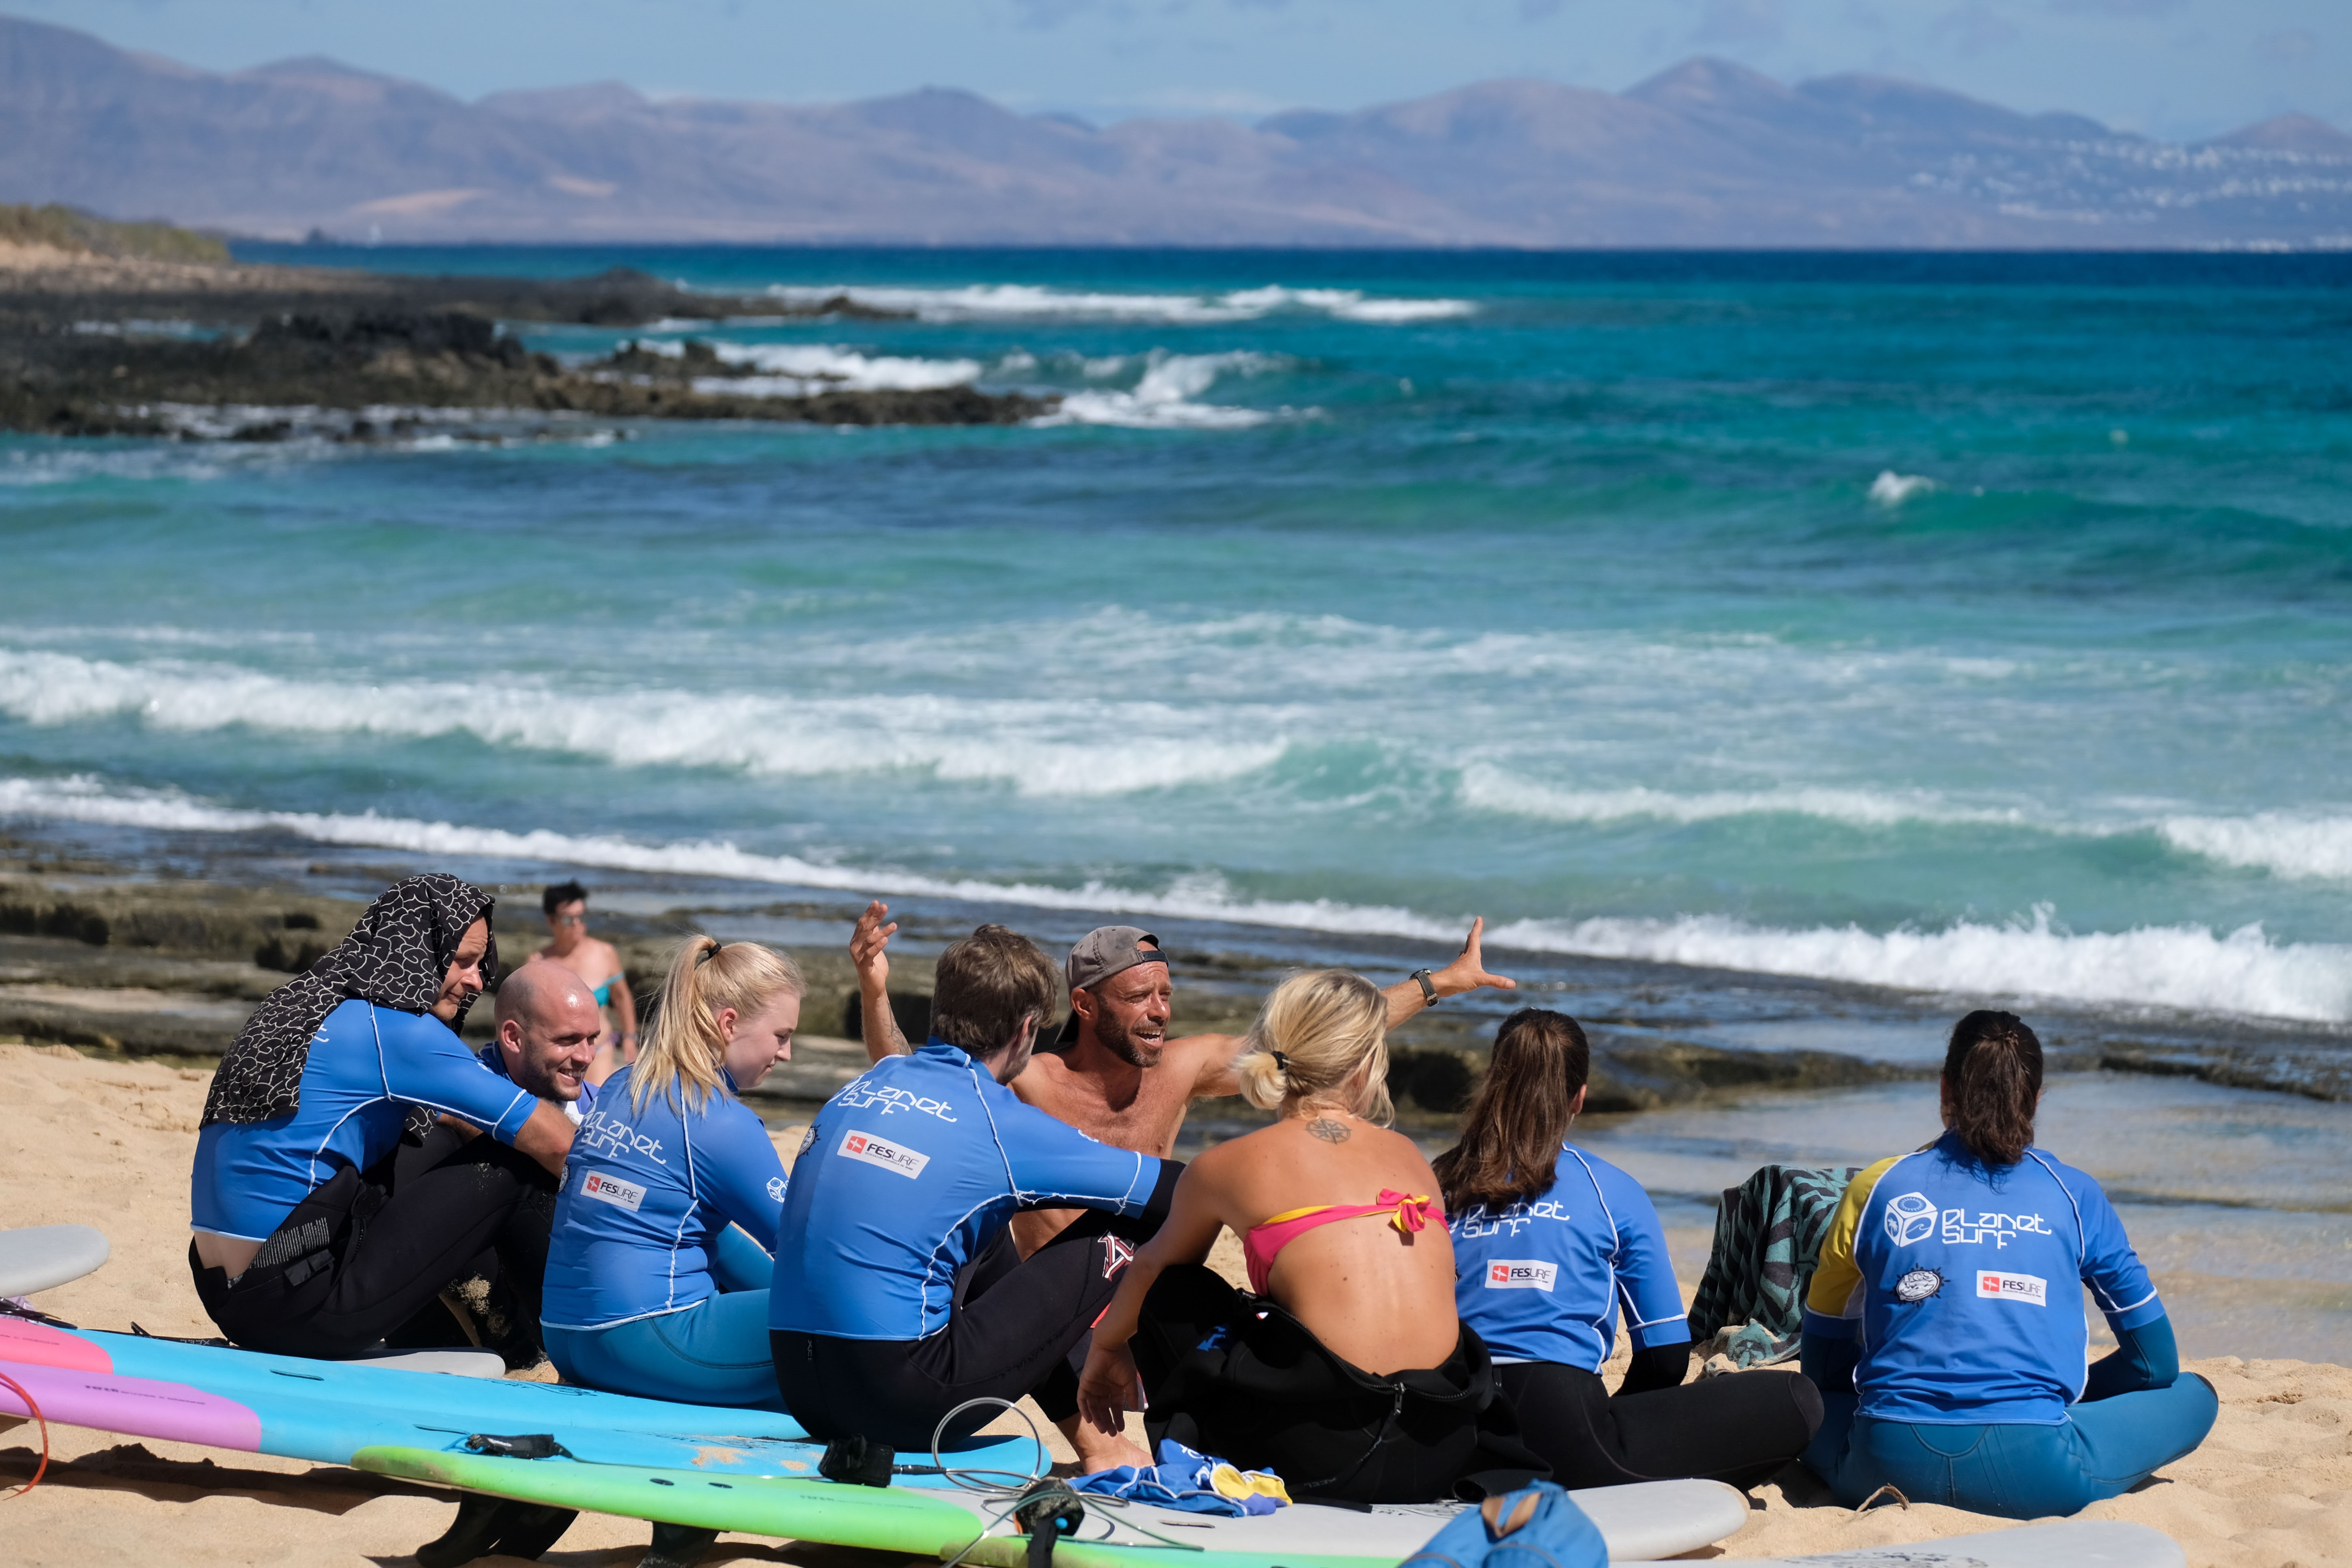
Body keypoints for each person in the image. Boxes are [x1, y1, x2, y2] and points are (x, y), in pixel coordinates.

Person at [850, 901, 1520, 1465]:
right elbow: (916, 1082)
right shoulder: (1032, 1077)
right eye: (1139, 995)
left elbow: (1322, 1041)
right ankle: (1115, 1445)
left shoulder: (1183, 1067)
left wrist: (1439, 985)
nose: (1160, 1010)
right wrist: (876, 990)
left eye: (1166, 993)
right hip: (1063, 1320)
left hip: (1138, 1308)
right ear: (1084, 1003)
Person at [1076, 970, 1546, 1505]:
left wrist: (1106, 1348)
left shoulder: (1226, 1165)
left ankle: (1204, 1459)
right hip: (1442, 1449)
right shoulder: (1413, 1157)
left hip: (1325, 1463)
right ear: (1366, 1064)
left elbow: (1151, 1272)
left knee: (1174, 1289)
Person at [769, 924, 1181, 1451]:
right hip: (902, 1399)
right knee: (1136, 1214)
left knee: (981, 1230)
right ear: (1026, 1029)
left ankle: (1098, 1446)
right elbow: (1174, 1190)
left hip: (802, 1387)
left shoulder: (868, 1083)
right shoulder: (999, 1121)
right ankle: (1114, 1435)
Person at [1798, 1010, 2218, 1519]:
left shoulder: (1876, 1188)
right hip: (2035, 1471)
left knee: (1793, 1402)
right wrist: (2056, 1392)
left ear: (1945, 1088)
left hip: (1884, 1464)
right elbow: (2155, 1364)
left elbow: (1822, 1369)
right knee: (2196, 1394)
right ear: (2036, 1098)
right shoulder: (2074, 1193)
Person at [189, 874, 575, 1361]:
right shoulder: (398, 1032)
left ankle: (464, 1340)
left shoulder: (308, 1004)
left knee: (437, 1145)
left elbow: (443, 1128)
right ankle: (561, 1349)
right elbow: (561, 1145)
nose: (479, 981)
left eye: (482, 965)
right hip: (297, 1305)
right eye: (464, 961)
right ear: (419, 953)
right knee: (514, 1166)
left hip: (228, 1291)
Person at [1437, 1008, 1822, 1489]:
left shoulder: (1436, 1181)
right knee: (1796, 1397)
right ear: (1579, 1098)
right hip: (1561, 1432)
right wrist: (1617, 1414)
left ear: (1492, 1081)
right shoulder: (1610, 1189)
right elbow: (1665, 1355)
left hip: (1443, 1430)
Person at [539, 936, 800, 1407]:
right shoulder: (723, 1121)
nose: (786, 1055)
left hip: (564, 1337)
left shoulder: (623, 1082)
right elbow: (808, 1253)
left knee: (711, 1234)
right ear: (729, 1024)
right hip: (643, 1340)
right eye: (781, 1036)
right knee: (841, 1316)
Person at [483, 957, 606, 1122]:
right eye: (568, 1039)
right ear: (514, 1038)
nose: (586, 1057)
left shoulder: (602, 1111)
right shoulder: (462, 1098)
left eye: (591, 1039)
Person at [539, 880, 638, 1085]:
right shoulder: (539, 964)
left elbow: (622, 996)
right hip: (558, 1060)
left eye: (581, 917)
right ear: (551, 921)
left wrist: (630, 1037)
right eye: (568, 919)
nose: (577, 924)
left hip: (599, 1050)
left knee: (594, 1108)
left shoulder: (604, 953)